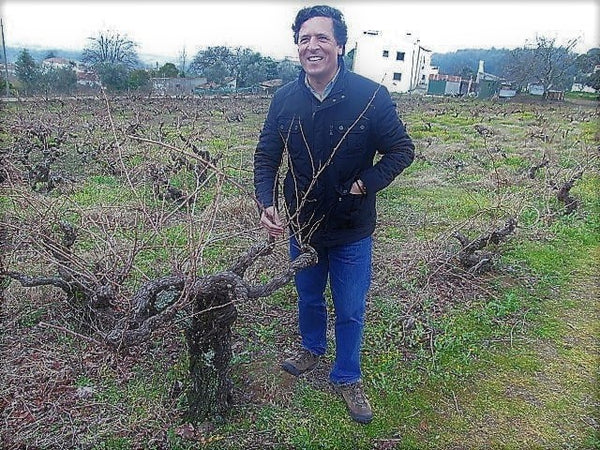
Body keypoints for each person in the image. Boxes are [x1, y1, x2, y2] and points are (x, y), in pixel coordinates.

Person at [253, 4, 414, 424]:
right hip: (303, 226)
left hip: (351, 227)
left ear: (341, 45)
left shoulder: (369, 96)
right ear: (297, 48)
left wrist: (365, 184)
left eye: (322, 37)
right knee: (307, 295)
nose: (313, 46)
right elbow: (268, 153)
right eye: (305, 39)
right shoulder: (285, 99)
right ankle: (311, 349)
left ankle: (347, 376)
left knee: (349, 306)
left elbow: (402, 150)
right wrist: (266, 200)